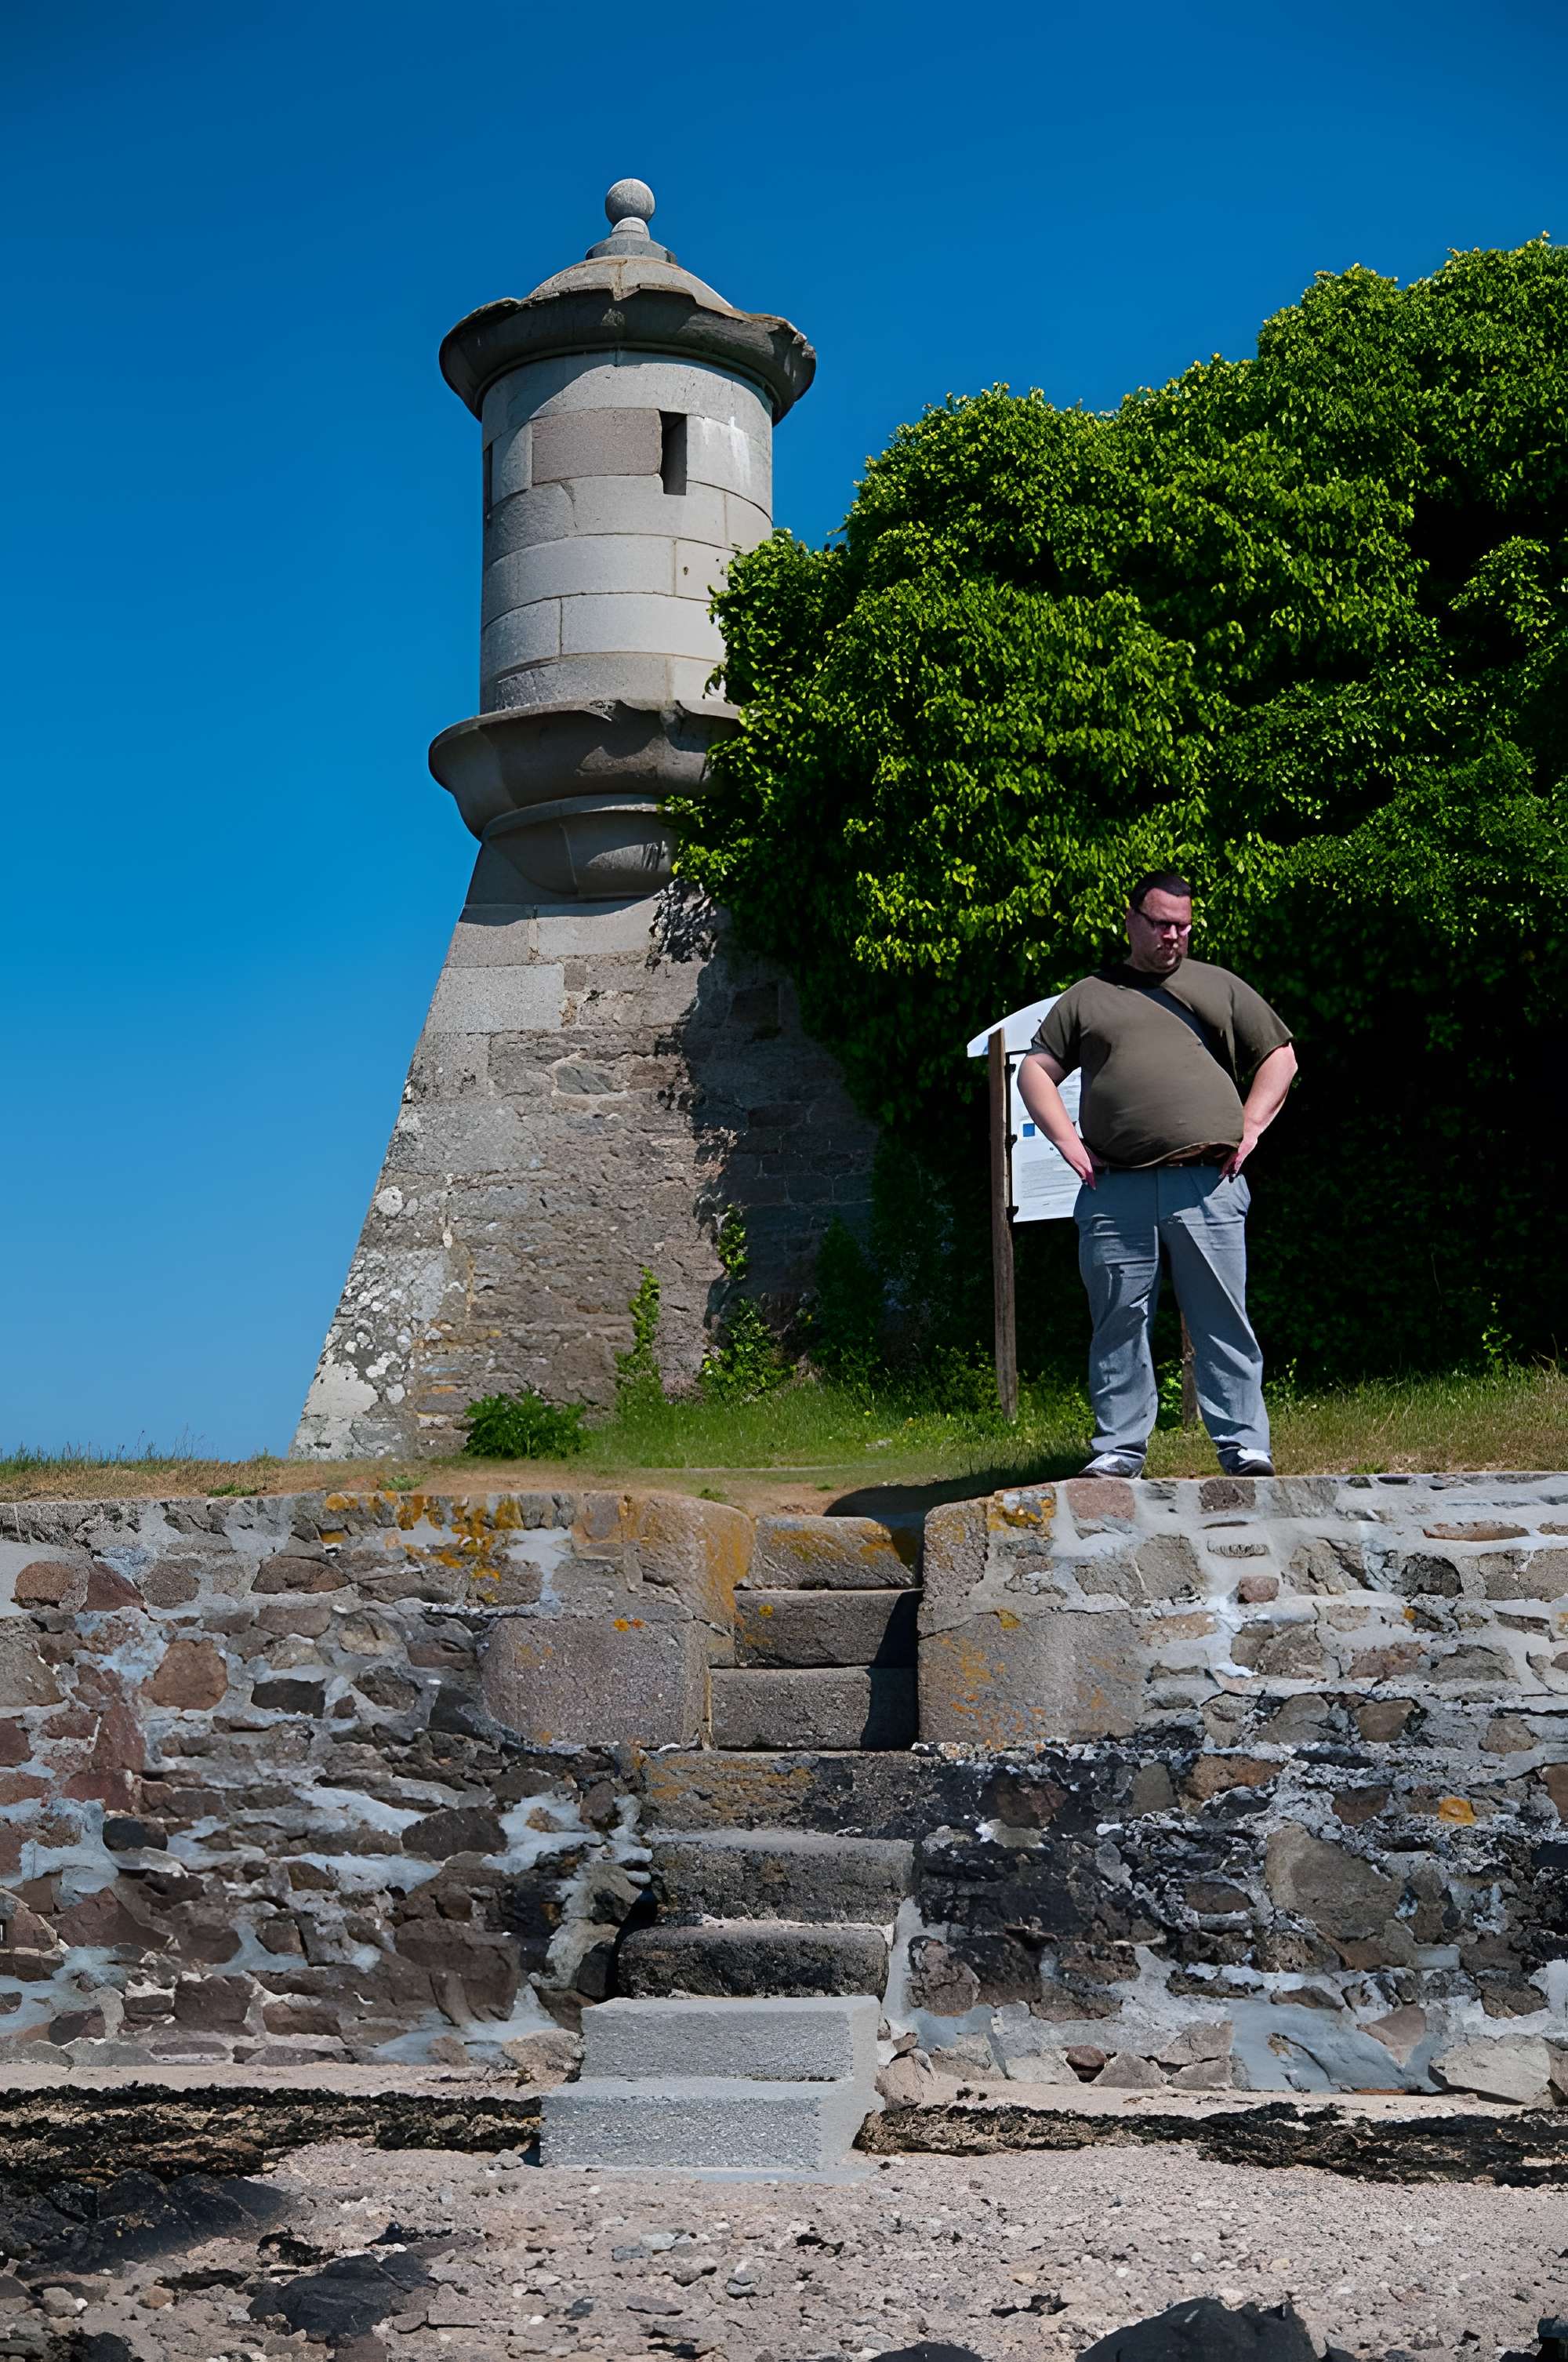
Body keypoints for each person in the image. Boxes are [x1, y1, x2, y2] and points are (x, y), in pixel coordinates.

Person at [1017, 870, 1298, 1479]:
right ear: (1132, 920)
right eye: (1162, 923)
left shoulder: (1219, 986)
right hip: (1114, 1187)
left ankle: (1245, 1445)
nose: (1174, 935)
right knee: (1118, 1317)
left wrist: (1250, 1127)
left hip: (1207, 1183)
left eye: (1184, 925)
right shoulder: (1089, 996)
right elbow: (1035, 1071)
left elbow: (1280, 1056)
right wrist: (1068, 1142)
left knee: (1222, 1314)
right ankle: (1119, 1447)